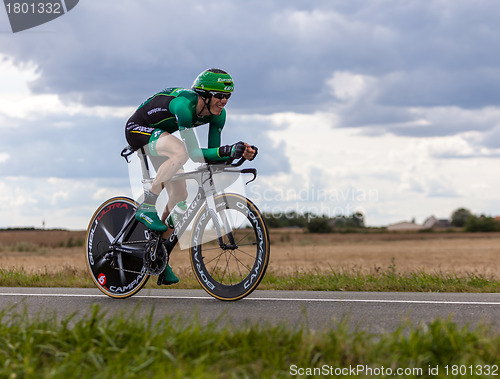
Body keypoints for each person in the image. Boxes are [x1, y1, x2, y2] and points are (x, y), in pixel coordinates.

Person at [124, 68, 257, 285]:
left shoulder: (218, 115)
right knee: (181, 152)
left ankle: (159, 254)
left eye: (228, 96)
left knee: (180, 194)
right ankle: (147, 206)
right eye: (219, 95)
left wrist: (238, 152)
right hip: (138, 129)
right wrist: (227, 150)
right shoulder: (184, 107)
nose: (224, 101)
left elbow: (211, 157)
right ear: (204, 95)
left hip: (161, 139)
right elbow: (195, 154)